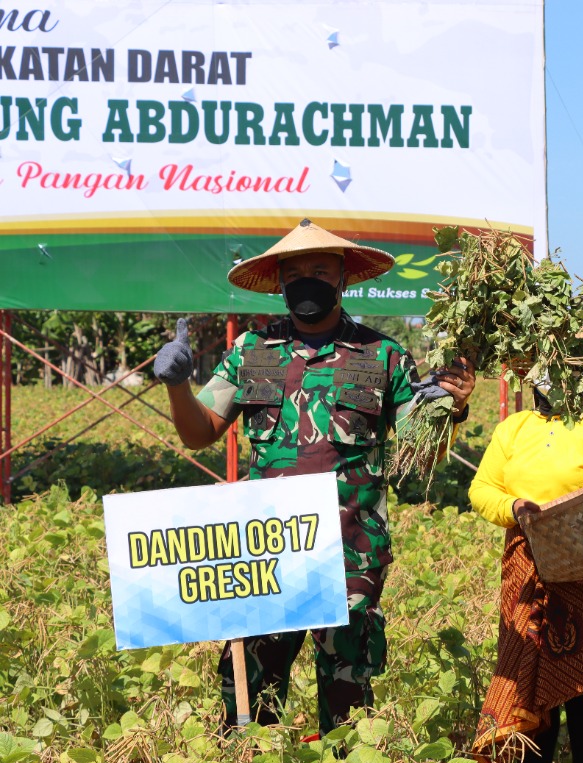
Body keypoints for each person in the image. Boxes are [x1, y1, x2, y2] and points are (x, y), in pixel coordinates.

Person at [152, 218, 475, 734]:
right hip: (265, 547)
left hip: (350, 551)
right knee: (251, 687)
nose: (307, 280)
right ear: (279, 281)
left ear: (343, 278)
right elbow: (201, 432)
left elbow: (419, 452)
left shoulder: (384, 355)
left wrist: (450, 410)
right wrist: (176, 385)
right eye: (295, 271)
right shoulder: (250, 352)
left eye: (320, 270)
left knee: (347, 690)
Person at [468, 333, 583, 763]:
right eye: (545, 365)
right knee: (529, 676)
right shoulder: (515, 428)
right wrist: (514, 509)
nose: (553, 375)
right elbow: (482, 489)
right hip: (527, 566)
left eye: (568, 366)